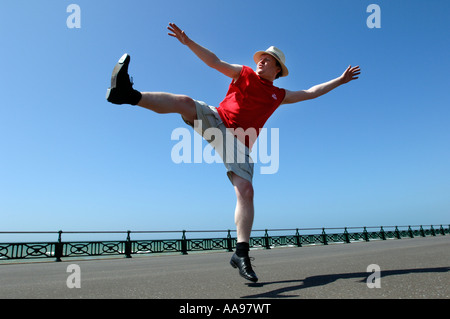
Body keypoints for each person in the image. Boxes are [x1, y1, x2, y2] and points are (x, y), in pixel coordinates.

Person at [106, 23, 361, 283]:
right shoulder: (245, 73)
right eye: (262, 57)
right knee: (184, 103)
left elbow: (310, 92)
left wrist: (340, 80)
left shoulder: (278, 94)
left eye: (268, 60)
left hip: (240, 143)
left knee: (246, 191)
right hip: (217, 119)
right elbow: (215, 61)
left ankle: (241, 254)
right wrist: (188, 41)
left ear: (278, 70)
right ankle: (127, 94)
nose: (262, 60)